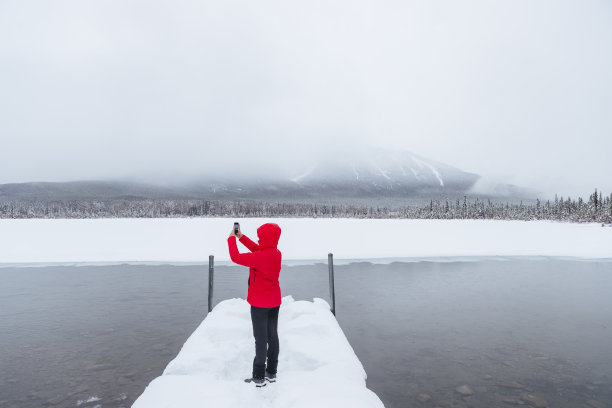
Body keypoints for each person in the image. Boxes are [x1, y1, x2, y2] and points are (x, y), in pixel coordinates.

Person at [227, 222, 282, 388]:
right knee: (272, 336)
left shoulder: (260, 258)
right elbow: (257, 249)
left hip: (259, 304)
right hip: (274, 301)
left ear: (266, 238)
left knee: (261, 339)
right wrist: (241, 237)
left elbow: (235, 257)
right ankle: (271, 372)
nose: (258, 239)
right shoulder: (275, 253)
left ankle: (258, 375)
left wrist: (231, 239)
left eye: (260, 237)